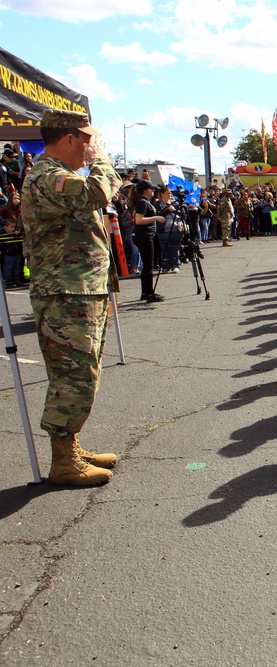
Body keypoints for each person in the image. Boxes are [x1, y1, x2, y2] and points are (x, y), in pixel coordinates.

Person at [20, 110, 123, 486]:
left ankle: (71, 446)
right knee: (72, 378)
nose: (91, 146)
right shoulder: (47, 177)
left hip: (80, 292)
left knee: (82, 375)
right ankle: (63, 462)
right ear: (69, 138)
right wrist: (101, 160)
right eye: (87, 140)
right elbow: (99, 191)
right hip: (65, 296)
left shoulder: (61, 176)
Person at [131, 180, 165, 302]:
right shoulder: (142, 202)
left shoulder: (145, 202)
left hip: (146, 234)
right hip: (144, 235)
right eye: (151, 189)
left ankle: (146, 292)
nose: (153, 191)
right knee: (148, 265)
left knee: (147, 264)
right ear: (146, 190)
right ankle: (149, 293)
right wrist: (156, 218)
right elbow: (139, 220)